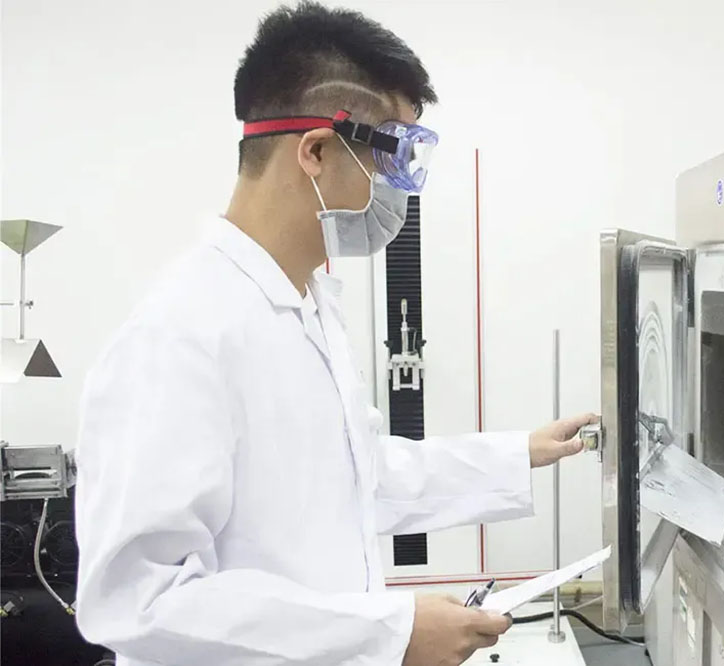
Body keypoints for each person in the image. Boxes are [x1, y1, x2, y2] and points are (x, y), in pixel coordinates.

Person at [73, 3, 596, 665]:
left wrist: (519, 453)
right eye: (394, 156)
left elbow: (362, 478)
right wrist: (389, 633)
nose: (401, 188)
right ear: (316, 150)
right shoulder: (177, 335)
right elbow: (137, 601)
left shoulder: (307, 304)